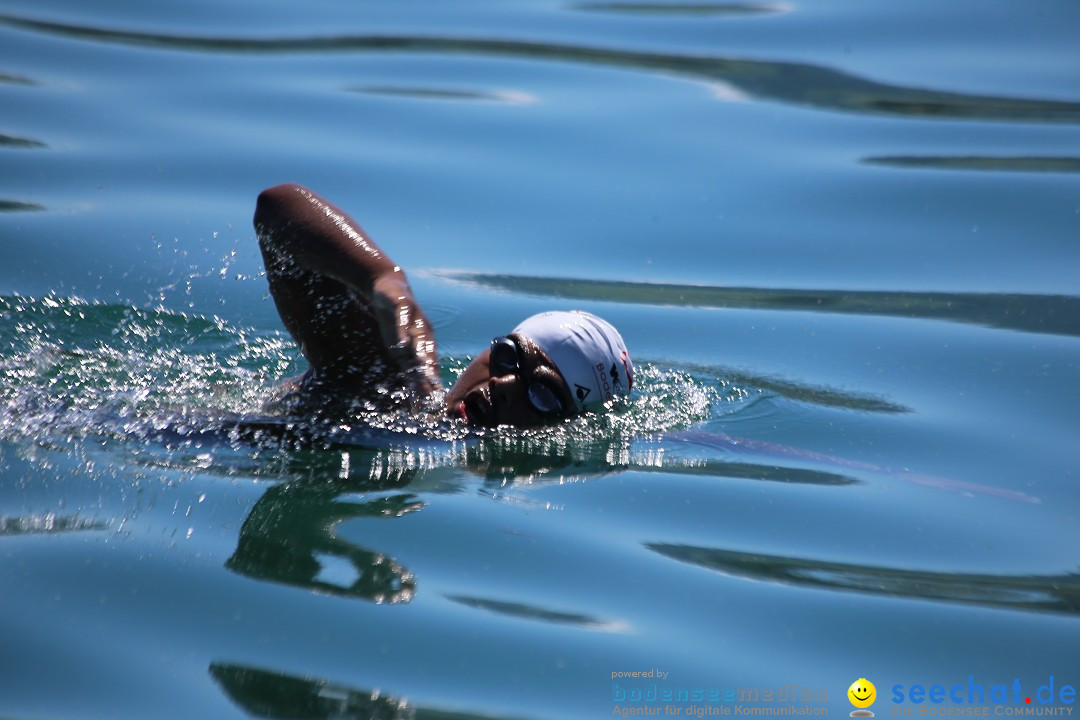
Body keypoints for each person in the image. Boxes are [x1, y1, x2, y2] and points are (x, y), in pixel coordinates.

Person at [254, 183, 633, 427]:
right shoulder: (387, 386)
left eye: (542, 395)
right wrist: (386, 281)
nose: (503, 386)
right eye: (507, 357)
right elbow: (276, 209)